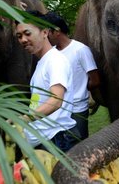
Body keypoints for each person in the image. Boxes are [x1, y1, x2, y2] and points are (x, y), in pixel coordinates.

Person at [15, 10, 79, 152]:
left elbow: (56, 100)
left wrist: (24, 120)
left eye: (27, 33)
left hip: (57, 140)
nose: (23, 40)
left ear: (44, 32)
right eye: (19, 36)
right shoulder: (43, 62)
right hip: (45, 140)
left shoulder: (55, 60)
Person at [44, 11, 100, 140]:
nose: (45, 37)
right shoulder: (52, 54)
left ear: (56, 31)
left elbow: (95, 80)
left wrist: (80, 90)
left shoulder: (80, 50)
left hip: (77, 110)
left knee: (78, 148)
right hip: (56, 110)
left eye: (47, 33)